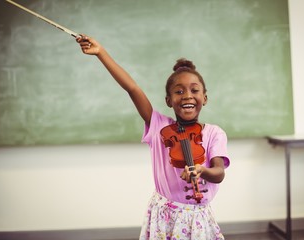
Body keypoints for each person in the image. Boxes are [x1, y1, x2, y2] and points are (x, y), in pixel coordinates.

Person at [76, 34, 230, 240]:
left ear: (205, 98)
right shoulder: (159, 126)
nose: (187, 95)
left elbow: (219, 173)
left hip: (198, 219)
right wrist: (101, 53)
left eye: (194, 90)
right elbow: (132, 88)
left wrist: (202, 170)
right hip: (164, 217)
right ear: (168, 100)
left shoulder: (214, 133)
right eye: (178, 91)